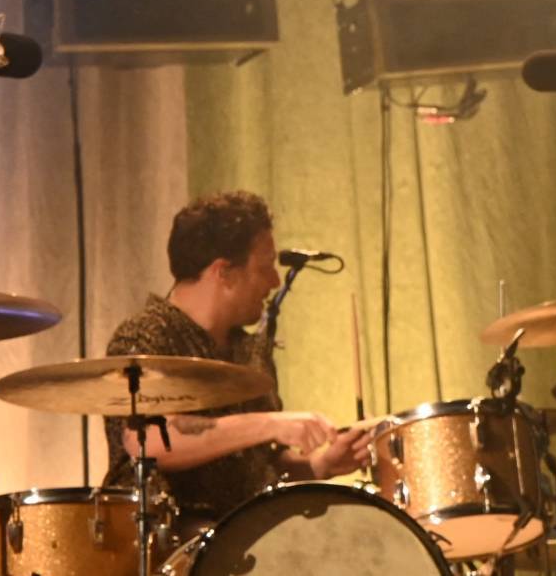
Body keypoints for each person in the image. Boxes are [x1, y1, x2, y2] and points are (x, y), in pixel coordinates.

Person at [102, 190, 370, 520]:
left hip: (246, 541)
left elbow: (260, 466)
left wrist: (319, 465)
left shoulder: (248, 350)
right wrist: (270, 424)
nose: (274, 281)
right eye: (265, 267)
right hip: (170, 548)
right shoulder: (146, 335)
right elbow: (150, 441)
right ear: (223, 272)